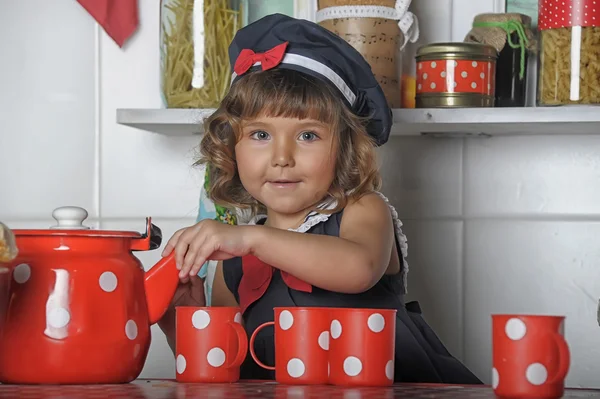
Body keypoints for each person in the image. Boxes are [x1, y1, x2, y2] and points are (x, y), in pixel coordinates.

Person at [157, 13, 482, 384]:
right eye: (260, 135)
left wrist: (250, 239)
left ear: (344, 147)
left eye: (307, 136)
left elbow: (358, 268)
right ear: (231, 146)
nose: (282, 156)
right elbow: (228, 364)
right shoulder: (235, 264)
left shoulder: (362, 210)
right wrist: (184, 323)